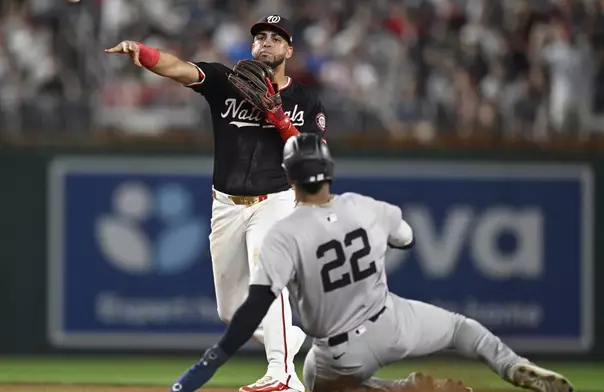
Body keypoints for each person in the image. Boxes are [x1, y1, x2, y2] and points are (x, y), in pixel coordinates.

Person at [167, 133, 576, 392]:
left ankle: (401, 390)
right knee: (460, 328)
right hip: (393, 321)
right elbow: (408, 238)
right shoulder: (365, 207)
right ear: (328, 170)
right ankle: (514, 366)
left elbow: (254, 307)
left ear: (288, 177)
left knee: (313, 379)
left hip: (342, 352)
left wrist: (214, 358)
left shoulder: (283, 234)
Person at [105, 15, 327, 392]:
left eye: (276, 38)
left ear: (289, 50)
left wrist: (280, 120)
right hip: (226, 204)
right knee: (231, 311)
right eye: (260, 37)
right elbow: (179, 68)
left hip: (275, 199)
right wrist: (141, 51)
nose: (267, 43)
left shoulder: (304, 99)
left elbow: (314, 157)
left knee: (267, 279)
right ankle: (289, 336)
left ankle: (283, 376)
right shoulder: (227, 83)